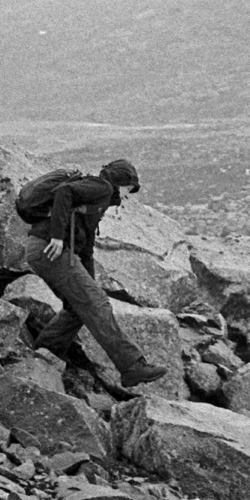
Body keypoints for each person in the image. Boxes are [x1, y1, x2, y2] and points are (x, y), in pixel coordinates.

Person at [23, 159, 166, 388]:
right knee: (96, 303)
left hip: (41, 250)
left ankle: (46, 351)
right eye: (129, 189)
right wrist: (57, 237)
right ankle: (132, 367)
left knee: (79, 307)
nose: (128, 196)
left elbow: (86, 246)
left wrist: (90, 281)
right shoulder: (103, 187)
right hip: (49, 249)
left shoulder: (98, 201)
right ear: (120, 181)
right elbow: (64, 192)